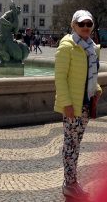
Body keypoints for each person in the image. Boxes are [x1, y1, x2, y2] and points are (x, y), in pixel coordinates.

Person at [54, 10, 102, 200]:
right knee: (70, 145)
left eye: (89, 24)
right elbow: (60, 78)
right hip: (72, 105)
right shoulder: (67, 46)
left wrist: (96, 89)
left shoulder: (91, 48)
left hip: (85, 104)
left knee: (76, 144)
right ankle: (70, 184)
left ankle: (71, 183)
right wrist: (66, 104)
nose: (85, 27)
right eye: (81, 24)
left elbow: (91, 76)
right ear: (73, 25)